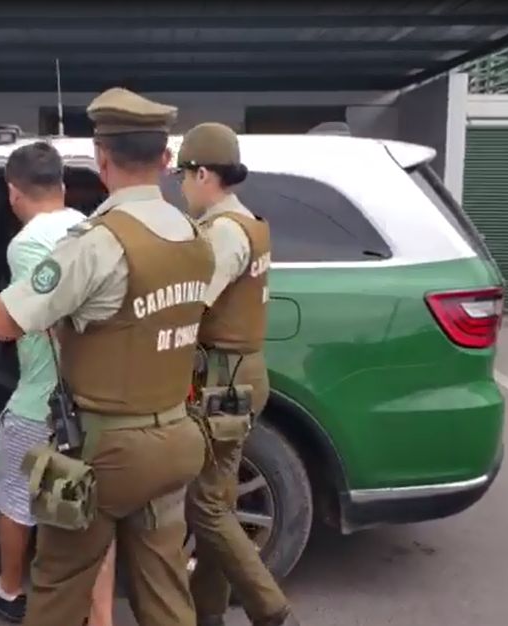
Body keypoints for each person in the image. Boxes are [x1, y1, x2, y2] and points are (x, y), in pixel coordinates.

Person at [0, 86, 212, 626]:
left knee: (55, 586)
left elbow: (6, 321)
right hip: (175, 438)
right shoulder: (192, 235)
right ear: (166, 161)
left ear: (100, 159)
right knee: (166, 593)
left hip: (94, 452)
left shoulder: (96, 242)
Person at [0, 141, 116, 625]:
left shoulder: (27, 244)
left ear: (12, 193)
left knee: (15, 494)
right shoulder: (90, 228)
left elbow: (20, 320)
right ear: (63, 187)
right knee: (90, 512)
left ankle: (9, 589)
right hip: (96, 399)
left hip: (45, 402)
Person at [176, 123, 299, 626]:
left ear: (203, 173)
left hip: (222, 383)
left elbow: (191, 304)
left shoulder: (225, 231)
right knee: (218, 503)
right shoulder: (249, 222)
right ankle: (208, 615)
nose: (181, 186)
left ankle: (271, 611)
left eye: (184, 175)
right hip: (238, 376)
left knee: (205, 506)